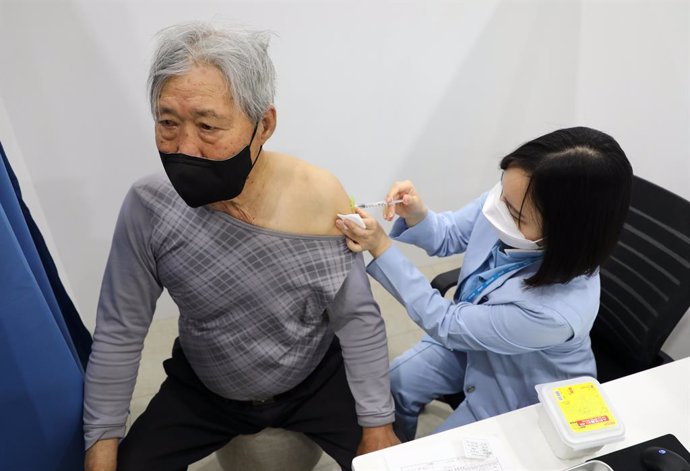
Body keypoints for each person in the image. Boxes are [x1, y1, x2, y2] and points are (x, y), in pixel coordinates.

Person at [83, 22, 399, 471]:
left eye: (208, 126)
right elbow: (120, 331)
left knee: (397, 460)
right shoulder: (148, 206)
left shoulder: (319, 196)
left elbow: (357, 320)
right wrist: (101, 448)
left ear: (263, 124)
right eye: (167, 123)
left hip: (314, 378)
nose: (185, 147)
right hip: (203, 387)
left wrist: (378, 425)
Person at [336, 127, 633, 441]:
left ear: (565, 234)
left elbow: (446, 322)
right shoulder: (515, 196)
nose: (497, 210)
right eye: (501, 192)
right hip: (471, 344)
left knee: (440, 457)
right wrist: (418, 215)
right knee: (393, 387)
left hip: (519, 391)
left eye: (516, 215)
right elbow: (450, 233)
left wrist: (381, 247)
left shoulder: (554, 312)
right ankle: (397, 448)